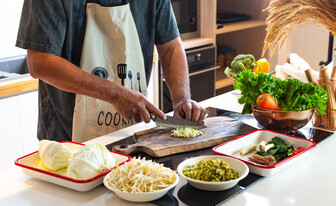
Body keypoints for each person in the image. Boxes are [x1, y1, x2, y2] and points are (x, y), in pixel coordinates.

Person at [16, 0, 206, 143]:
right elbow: (40, 62)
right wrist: (115, 94)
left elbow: (170, 47)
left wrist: (181, 99)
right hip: (68, 141)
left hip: (131, 136)